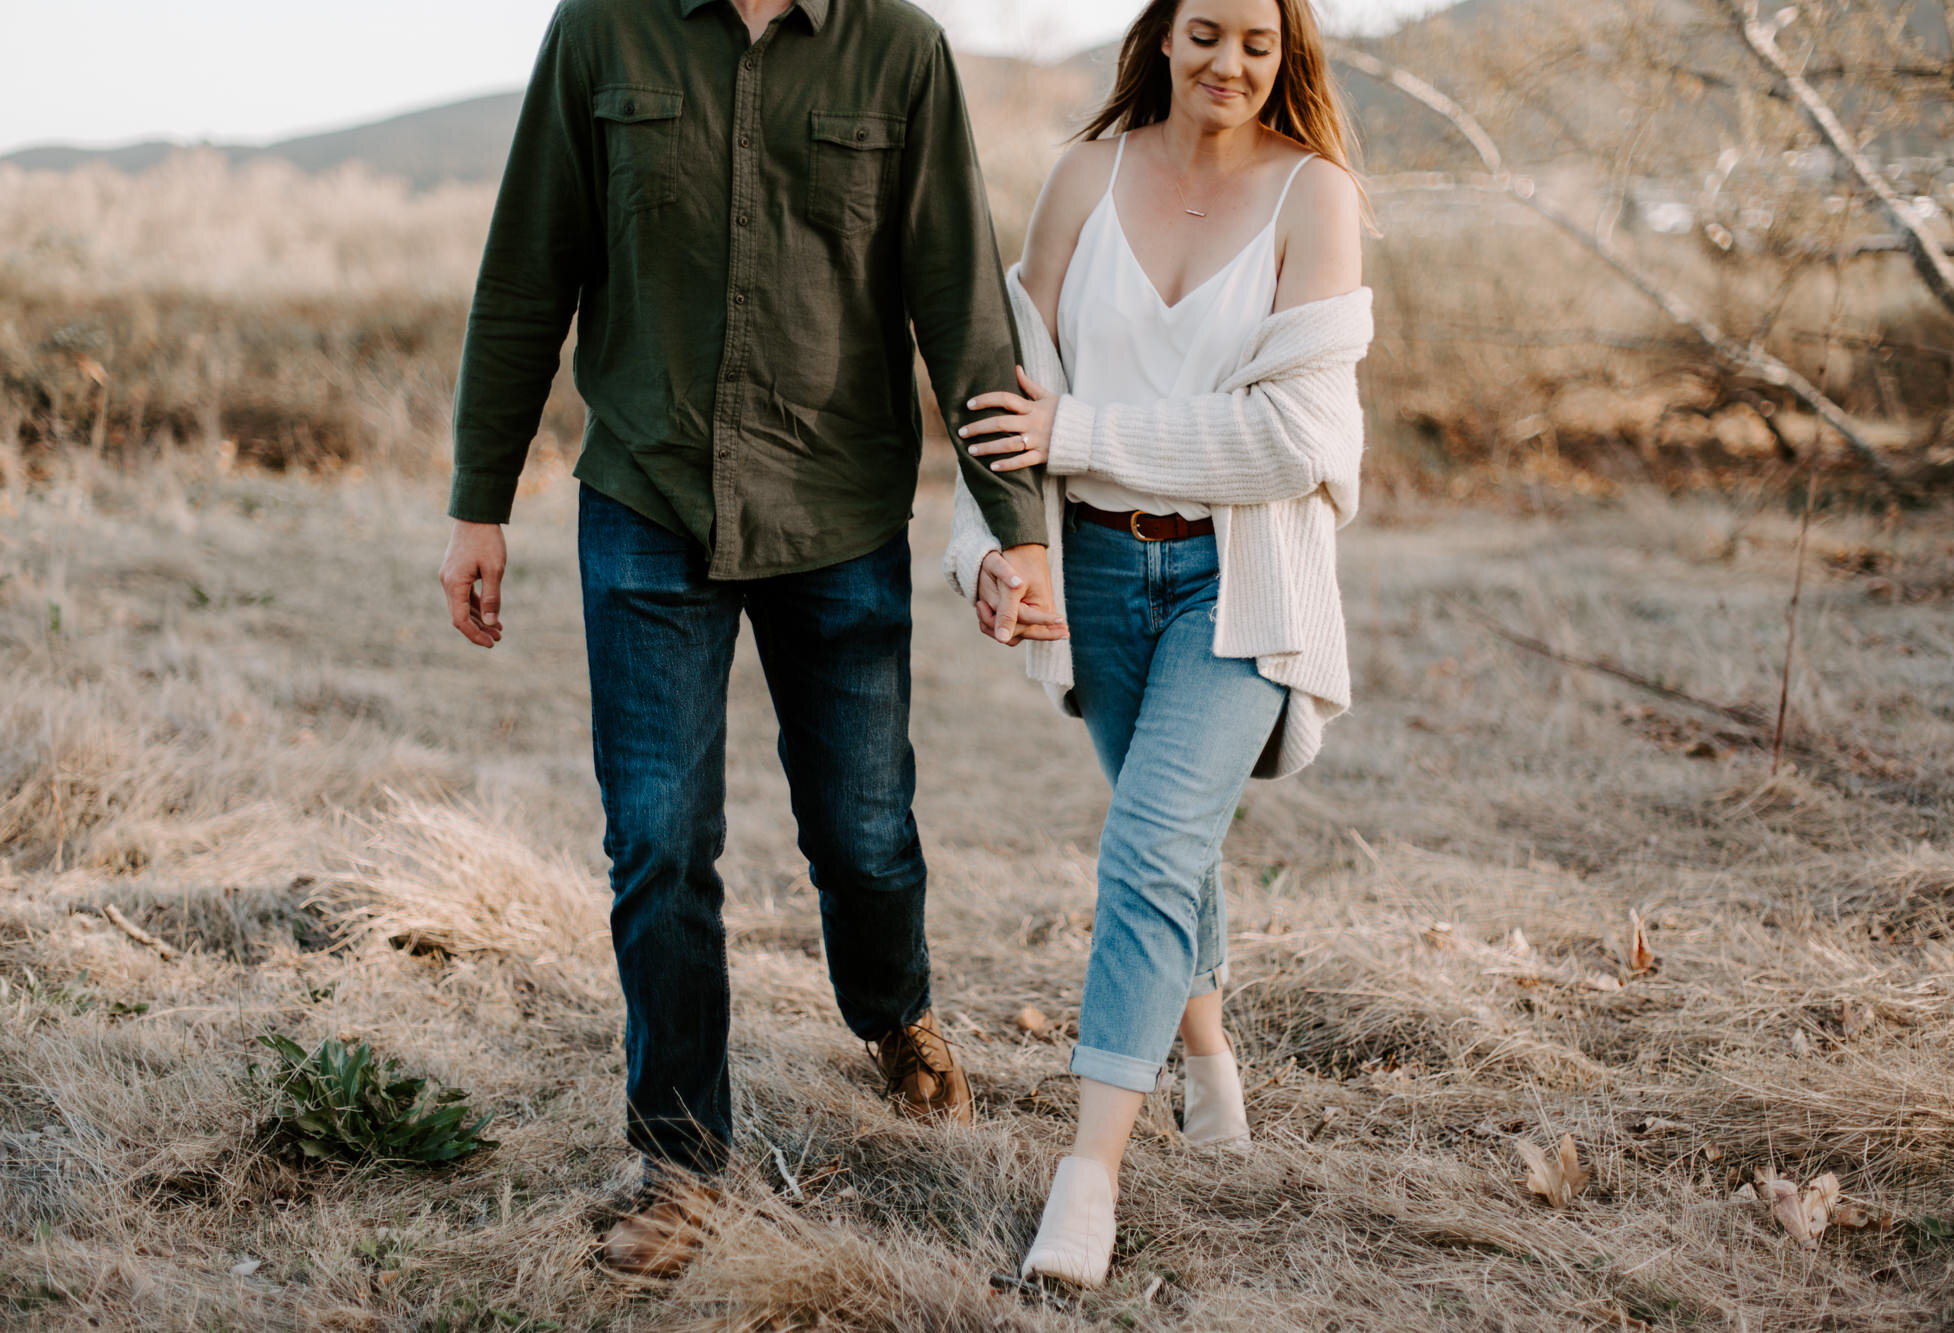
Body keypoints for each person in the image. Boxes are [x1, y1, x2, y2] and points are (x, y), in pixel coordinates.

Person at [437, 0, 1063, 1279]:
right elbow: (524, 273)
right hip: (645, 501)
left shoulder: (899, 50)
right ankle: (680, 1159)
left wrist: (1014, 524)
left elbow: (955, 298)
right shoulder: (600, 32)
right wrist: (477, 504)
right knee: (658, 839)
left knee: (865, 832)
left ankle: (895, 1015)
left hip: (835, 511)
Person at [942, 0, 1372, 1288]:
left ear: (1286, 47)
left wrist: (1081, 434)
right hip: (1094, 572)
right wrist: (983, 553)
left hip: (1240, 584)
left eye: (1254, 39)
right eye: (1203, 32)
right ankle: (1206, 1060)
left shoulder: (1316, 198)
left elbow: (1293, 443)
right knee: (1164, 830)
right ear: (1161, 34)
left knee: (1141, 848)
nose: (1226, 62)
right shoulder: (1085, 175)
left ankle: (1088, 1179)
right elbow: (1005, 396)